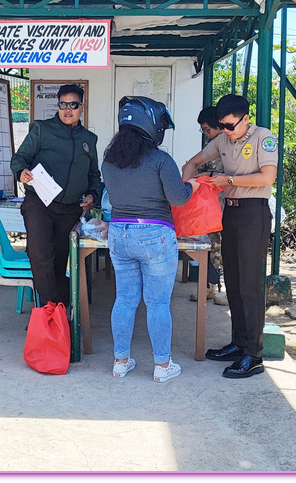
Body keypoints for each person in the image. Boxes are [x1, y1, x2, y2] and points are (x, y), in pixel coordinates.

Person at [102, 96, 199, 382]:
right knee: (157, 304)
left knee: (124, 300)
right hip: (154, 235)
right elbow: (178, 198)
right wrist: (191, 184)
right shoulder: (160, 160)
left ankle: (120, 361)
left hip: (119, 233)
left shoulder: (109, 161)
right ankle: (162, 366)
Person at [181, 94, 278, 379]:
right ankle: (238, 343)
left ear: (246, 118)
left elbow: (267, 177)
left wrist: (229, 180)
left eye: (231, 125)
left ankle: (254, 354)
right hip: (231, 215)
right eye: (222, 125)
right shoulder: (223, 139)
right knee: (233, 283)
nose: (226, 130)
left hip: (254, 214)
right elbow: (194, 161)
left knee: (249, 285)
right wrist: (185, 186)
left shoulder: (263, 137)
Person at [11, 84, 102, 307]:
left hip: (69, 208)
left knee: (61, 259)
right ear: (58, 106)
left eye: (73, 104)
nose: (68, 109)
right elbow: (19, 158)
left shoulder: (89, 139)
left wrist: (92, 195)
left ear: (82, 107)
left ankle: (60, 310)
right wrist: (21, 171)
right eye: (63, 104)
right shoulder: (42, 130)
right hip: (39, 203)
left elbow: (93, 175)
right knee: (40, 254)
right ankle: (49, 310)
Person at [192, 106, 226, 305]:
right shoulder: (210, 143)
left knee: (226, 249)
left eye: (207, 129)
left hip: (226, 204)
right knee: (210, 245)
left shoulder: (229, 144)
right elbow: (203, 165)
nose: (206, 133)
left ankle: (227, 292)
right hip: (210, 204)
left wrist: (209, 175)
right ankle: (208, 288)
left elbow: (232, 174)